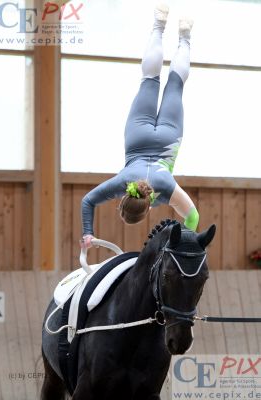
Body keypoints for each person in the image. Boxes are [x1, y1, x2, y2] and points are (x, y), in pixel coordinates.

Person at [81, 2, 198, 249]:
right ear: (122, 200)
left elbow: (193, 216)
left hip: (168, 138)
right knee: (149, 80)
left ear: (146, 211)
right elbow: (87, 201)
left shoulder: (166, 189)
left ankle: (185, 36)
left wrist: (182, 241)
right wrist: (87, 234)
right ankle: (159, 23)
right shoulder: (122, 182)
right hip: (138, 136)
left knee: (175, 84)